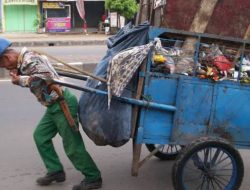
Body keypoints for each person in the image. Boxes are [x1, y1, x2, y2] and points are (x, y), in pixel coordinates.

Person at [0, 37, 102, 190]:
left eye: (2, 64)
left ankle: (93, 177)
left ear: (7, 57)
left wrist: (20, 80)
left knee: (72, 145)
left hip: (62, 104)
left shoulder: (29, 60)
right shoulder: (25, 60)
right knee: (40, 136)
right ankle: (55, 171)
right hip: (53, 105)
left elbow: (46, 78)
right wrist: (20, 74)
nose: (5, 68)